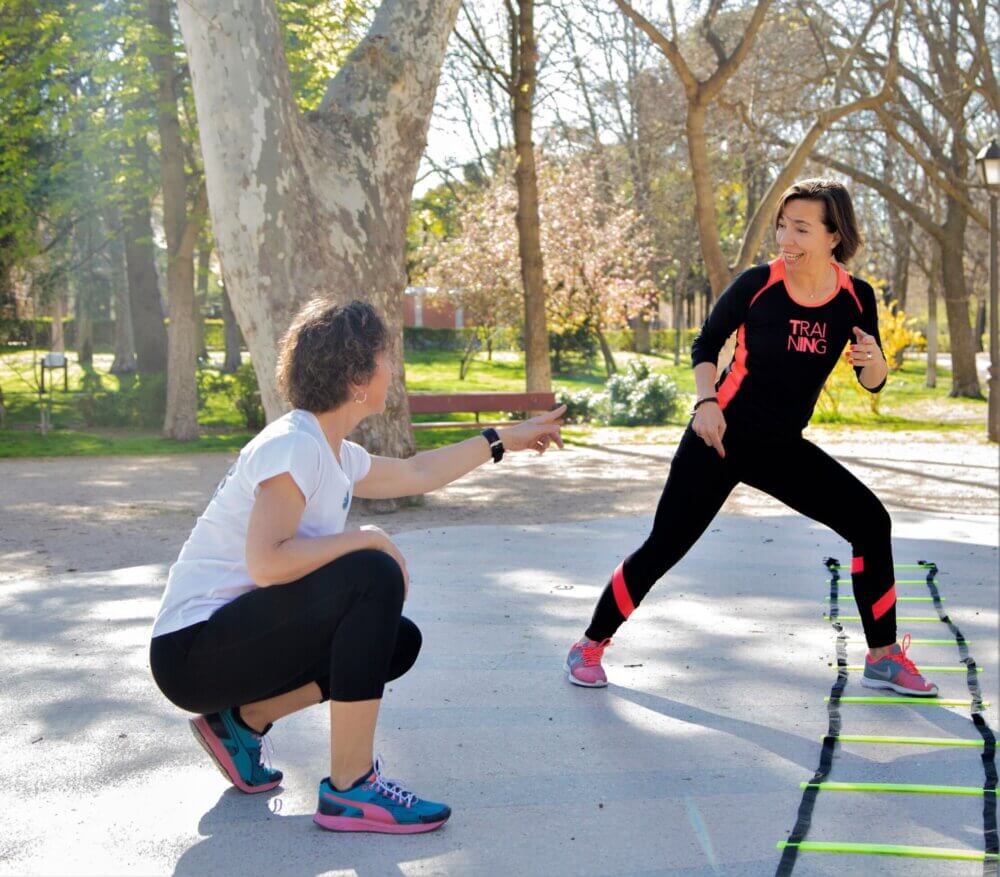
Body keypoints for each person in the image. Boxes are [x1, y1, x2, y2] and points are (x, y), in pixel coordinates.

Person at [150, 299, 565, 834]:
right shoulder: (294, 445)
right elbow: (268, 562)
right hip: (190, 652)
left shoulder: (332, 451)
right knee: (372, 573)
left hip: (227, 645)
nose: (392, 369)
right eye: (386, 358)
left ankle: (241, 723)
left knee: (395, 641)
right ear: (356, 377)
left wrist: (503, 438)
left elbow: (417, 472)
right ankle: (351, 787)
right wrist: (365, 539)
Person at [564, 178, 938, 699]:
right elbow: (706, 343)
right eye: (783, 226)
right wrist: (706, 404)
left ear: (834, 235)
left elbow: (870, 380)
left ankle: (883, 657)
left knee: (871, 523)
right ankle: (589, 644)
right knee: (664, 546)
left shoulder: (856, 298)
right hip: (718, 438)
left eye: (801, 228)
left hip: (781, 447)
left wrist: (876, 363)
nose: (786, 238)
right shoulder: (758, 284)